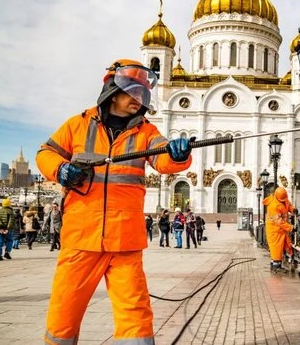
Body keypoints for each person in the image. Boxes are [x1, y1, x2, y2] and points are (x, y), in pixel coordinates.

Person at [36, 58, 193, 344]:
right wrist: (60, 169)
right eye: (133, 92)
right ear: (112, 91)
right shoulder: (78, 125)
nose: (139, 100)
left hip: (125, 242)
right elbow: (46, 153)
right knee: (64, 311)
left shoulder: (146, 132)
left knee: (134, 314)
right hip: (81, 239)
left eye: (143, 95)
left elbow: (162, 157)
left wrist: (178, 155)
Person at [263, 187, 294, 271]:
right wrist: (291, 227)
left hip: (281, 229)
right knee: (275, 247)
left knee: (279, 247)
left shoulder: (284, 199)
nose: (284, 200)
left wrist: (293, 209)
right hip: (274, 230)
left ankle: (277, 265)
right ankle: (275, 266)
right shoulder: (273, 206)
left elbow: (288, 205)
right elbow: (279, 221)